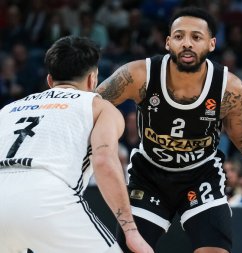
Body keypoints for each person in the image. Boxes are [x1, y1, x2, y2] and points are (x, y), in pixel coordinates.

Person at [96, 7, 242, 253]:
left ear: (212, 44)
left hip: (200, 176)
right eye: (179, 36)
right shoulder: (138, 75)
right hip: (149, 175)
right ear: (168, 42)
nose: (187, 43)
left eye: (196, 37)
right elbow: (89, 105)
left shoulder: (230, 88)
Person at [0, 36, 152, 253]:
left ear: (50, 80)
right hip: (47, 198)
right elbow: (103, 161)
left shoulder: (8, 110)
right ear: (92, 79)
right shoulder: (98, 107)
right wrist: (130, 231)